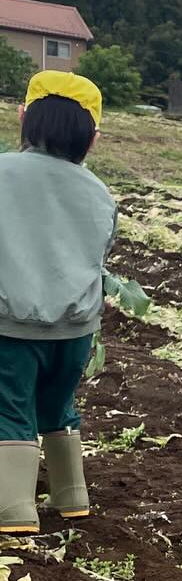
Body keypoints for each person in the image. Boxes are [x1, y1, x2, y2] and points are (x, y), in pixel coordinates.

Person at [0, 71, 117, 534]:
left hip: (10, 325)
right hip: (76, 330)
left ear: (24, 116)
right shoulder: (99, 193)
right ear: (93, 138)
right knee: (58, 404)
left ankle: (14, 512)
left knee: (9, 407)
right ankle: (72, 498)